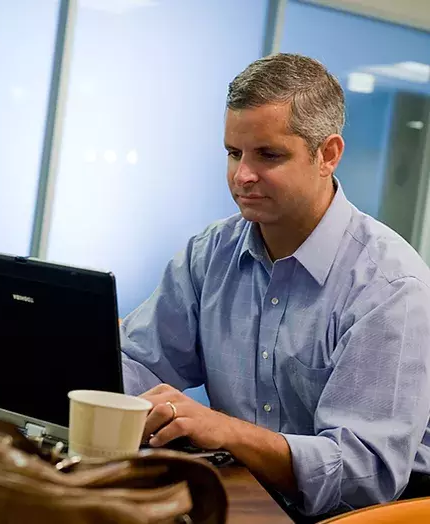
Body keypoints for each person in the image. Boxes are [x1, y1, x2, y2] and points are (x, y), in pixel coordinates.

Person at [119, 53, 430, 519]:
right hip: (244, 495)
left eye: (269, 155)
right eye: (233, 153)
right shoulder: (212, 252)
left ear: (327, 155)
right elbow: (138, 361)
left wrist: (222, 430)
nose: (242, 175)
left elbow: (364, 476)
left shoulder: (390, 287)